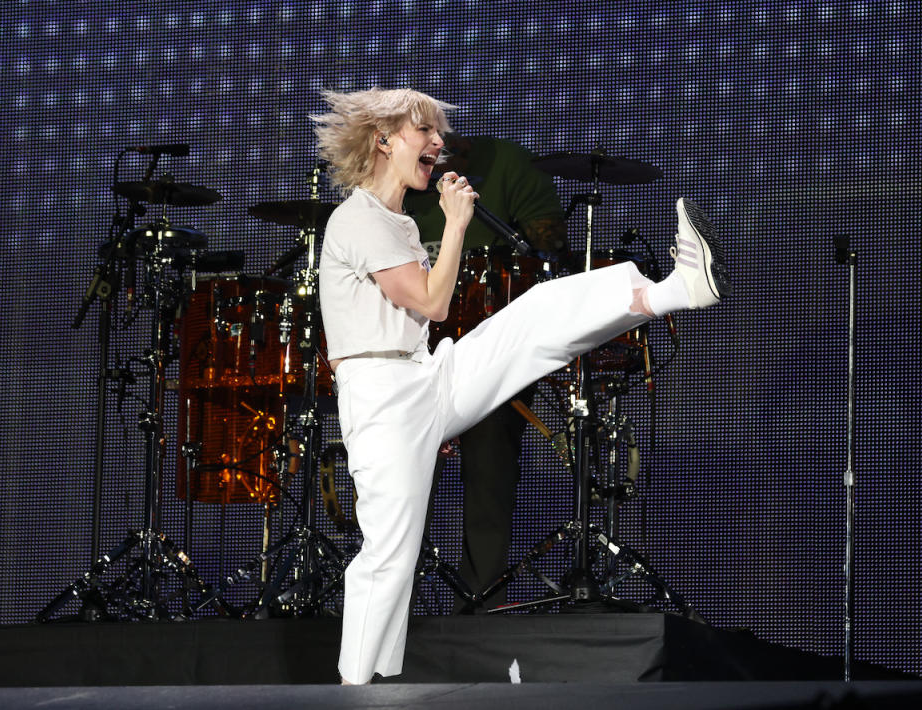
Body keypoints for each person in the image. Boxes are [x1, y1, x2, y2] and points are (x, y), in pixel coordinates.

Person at [313, 87, 730, 685]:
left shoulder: (397, 221)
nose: (439, 143)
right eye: (423, 132)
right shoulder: (358, 217)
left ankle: (671, 292)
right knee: (388, 554)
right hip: (381, 396)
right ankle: (355, 689)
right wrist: (456, 223)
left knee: (532, 317)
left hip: (420, 373)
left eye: (439, 132)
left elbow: (427, 314)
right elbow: (432, 302)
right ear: (382, 141)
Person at [403, 133, 568, 610]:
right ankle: (394, 604)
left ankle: (479, 604)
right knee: (402, 478)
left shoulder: (509, 162)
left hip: (493, 345)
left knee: (490, 470)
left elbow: (550, 245)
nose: (432, 139)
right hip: (411, 345)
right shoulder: (397, 174)